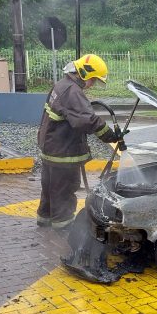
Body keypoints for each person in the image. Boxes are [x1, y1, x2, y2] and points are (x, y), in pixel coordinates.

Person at [36, 54, 125, 229]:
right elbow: (87, 120)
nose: (92, 84)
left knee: (49, 187)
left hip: (51, 148)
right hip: (63, 151)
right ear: (84, 73)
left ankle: (44, 218)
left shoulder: (62, 85)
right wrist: (110, 136)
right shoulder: (72, 91)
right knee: (65, 189)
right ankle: (63, 225)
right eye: (93, 80)